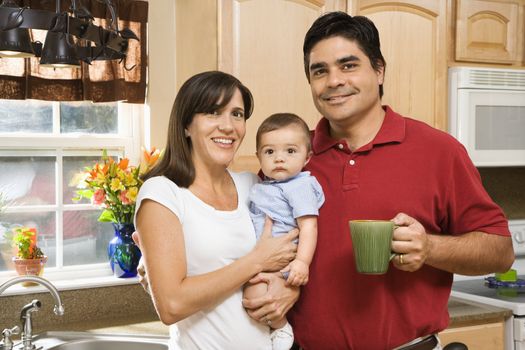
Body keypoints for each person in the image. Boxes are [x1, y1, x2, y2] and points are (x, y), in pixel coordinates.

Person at [242, 11, 515, 349]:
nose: (334, 81)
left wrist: (430, 247)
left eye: (348, 65)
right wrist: (283, 285)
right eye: (319, 71)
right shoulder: (289, 159)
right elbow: (254, 243)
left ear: (379, 69)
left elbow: (500, 251)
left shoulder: (439, 151)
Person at [132, 70, 298, 350]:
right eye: (213, 112)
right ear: (186, 125)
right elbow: (171, 305)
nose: (229, 126)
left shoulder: (253, 185)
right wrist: (256, 261)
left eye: (237, 114)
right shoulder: (163, 192)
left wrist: (290, 289)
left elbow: (288, 249)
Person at [245, 113, 325, 349]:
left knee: (255, 298)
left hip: (283, 262)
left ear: (307, 157)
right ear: (258, 156)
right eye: (270, 152)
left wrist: (302, 262)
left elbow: (309, 226)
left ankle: (280, 328)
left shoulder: (299, 186)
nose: (279, 159)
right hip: (260, 258)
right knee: (251, 300)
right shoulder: (263, 185)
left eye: (290, 151)